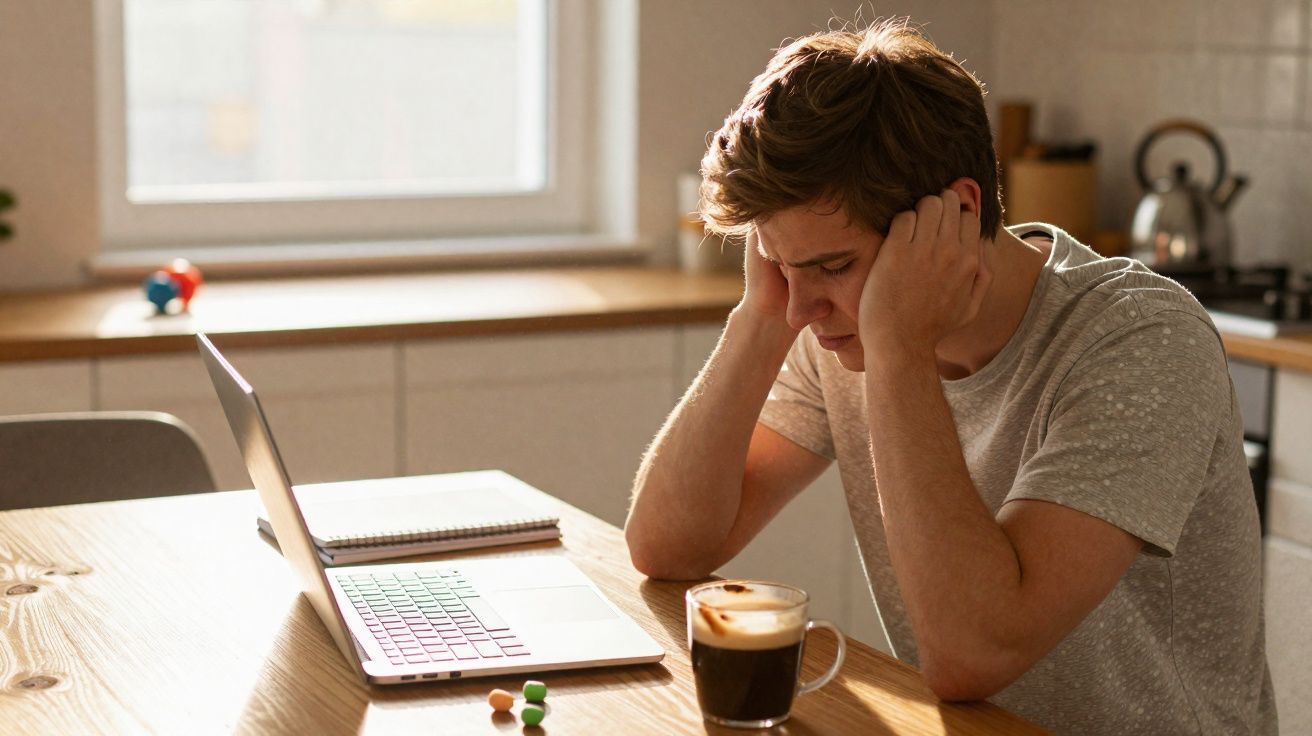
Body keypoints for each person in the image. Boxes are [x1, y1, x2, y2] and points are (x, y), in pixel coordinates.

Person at [623, 18, 1276, 735]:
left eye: (833, 265)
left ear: (959, 212)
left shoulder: (1138, 341)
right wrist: (759, 314)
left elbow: (976, 651)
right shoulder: (832, 326)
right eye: (781, 264)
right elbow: (668, 546)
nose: (804, 309)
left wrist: (901, 349)